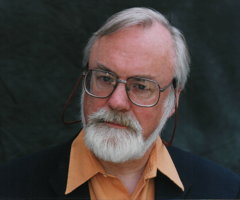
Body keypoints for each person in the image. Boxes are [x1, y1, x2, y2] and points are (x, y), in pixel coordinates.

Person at [0, 7, 239, 199]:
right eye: (105, 78)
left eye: (141, 86)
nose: (116, 101)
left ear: (173, 100)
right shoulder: (10, 186)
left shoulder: (225, 191)